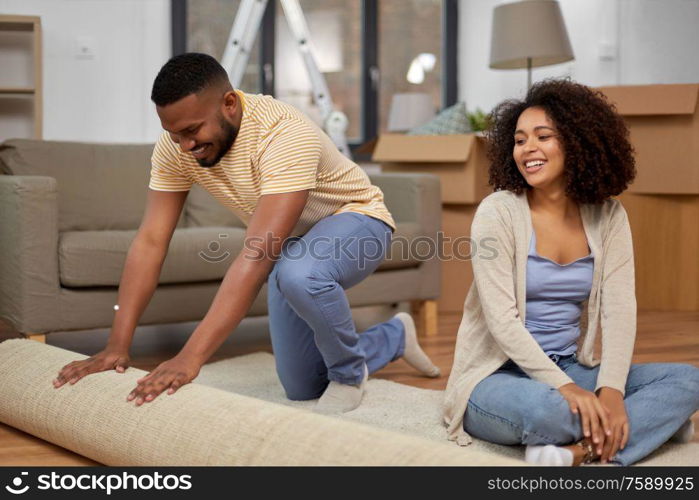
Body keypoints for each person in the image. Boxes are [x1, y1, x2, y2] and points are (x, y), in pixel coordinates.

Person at [53, 52, 439, 413]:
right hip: (293, 249)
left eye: (192, 130)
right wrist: (117, 344)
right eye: (174, 134)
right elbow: (151, 242)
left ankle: (350, 373)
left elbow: (256, 255)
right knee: (302, 385)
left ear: (230, 104)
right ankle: (392, 337)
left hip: (358, 221)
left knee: (299, 274)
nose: (185, 146)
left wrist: (191, 356)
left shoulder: (282, 134)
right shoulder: (177, 147)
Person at [443, 78, 699, 466]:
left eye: (543, 136)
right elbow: (502, 322)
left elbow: (619, 309)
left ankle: (578, 453)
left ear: (577, 142)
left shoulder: (609, 215)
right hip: (497, 375)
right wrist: (566, 389)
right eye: (519, 140)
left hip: (570, 365)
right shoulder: (498, 212)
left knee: (688, 381)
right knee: (555, 411)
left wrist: (610, 389)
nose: (528, 149)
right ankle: (645, 427)